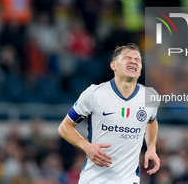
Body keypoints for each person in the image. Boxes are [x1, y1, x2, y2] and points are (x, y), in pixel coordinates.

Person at [58, 43, 160, 183]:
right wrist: (86, 146)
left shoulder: (150, 97)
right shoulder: (94, 94)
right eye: (127, 58)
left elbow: (152, 121)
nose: (133, 61)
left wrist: (151, 147)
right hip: (94, 180)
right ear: (113, 66)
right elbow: (64, 127)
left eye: (137, 60)